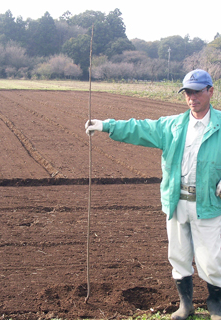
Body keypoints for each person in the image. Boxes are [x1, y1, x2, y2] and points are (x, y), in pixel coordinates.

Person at [85, 69, 221, 320]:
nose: (193, 97)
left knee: (212, 260)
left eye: (198, 91)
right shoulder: (173, 126)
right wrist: (105, 125)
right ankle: (186, 305)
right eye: (188, 92)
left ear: (210, 91)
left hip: (209, 204)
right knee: (178, 256)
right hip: (176, 201)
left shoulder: (220, 125)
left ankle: (216, 306)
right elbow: (140, 128)